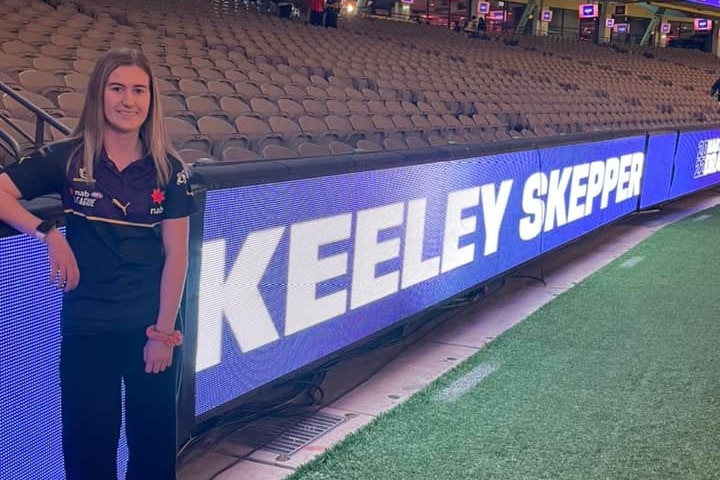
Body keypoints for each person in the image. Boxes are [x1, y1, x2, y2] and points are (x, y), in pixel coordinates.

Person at [0, 48, 196, 479]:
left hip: (150, 330)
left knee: (152, 455)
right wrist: (47, 233)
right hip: (87, 330)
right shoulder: (68, 157)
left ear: (151, 100)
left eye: (139, 90)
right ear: (99, 95)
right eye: (118, 88)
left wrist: (163, 333)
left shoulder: (171, 170)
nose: (129, 100)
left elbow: (177, 255)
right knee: (88, 455)